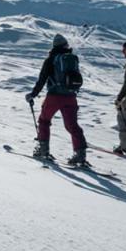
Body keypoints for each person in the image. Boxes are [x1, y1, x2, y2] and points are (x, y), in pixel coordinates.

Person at [25, 33, 89, 165]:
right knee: (72, 125)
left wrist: (33, 94)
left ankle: (43, 150)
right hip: (71, 97)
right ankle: (80, 154)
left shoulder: (50, 60)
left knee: (44, 120)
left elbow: (42, 80)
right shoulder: (72, 58)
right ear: (65, 45)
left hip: (54, 96)